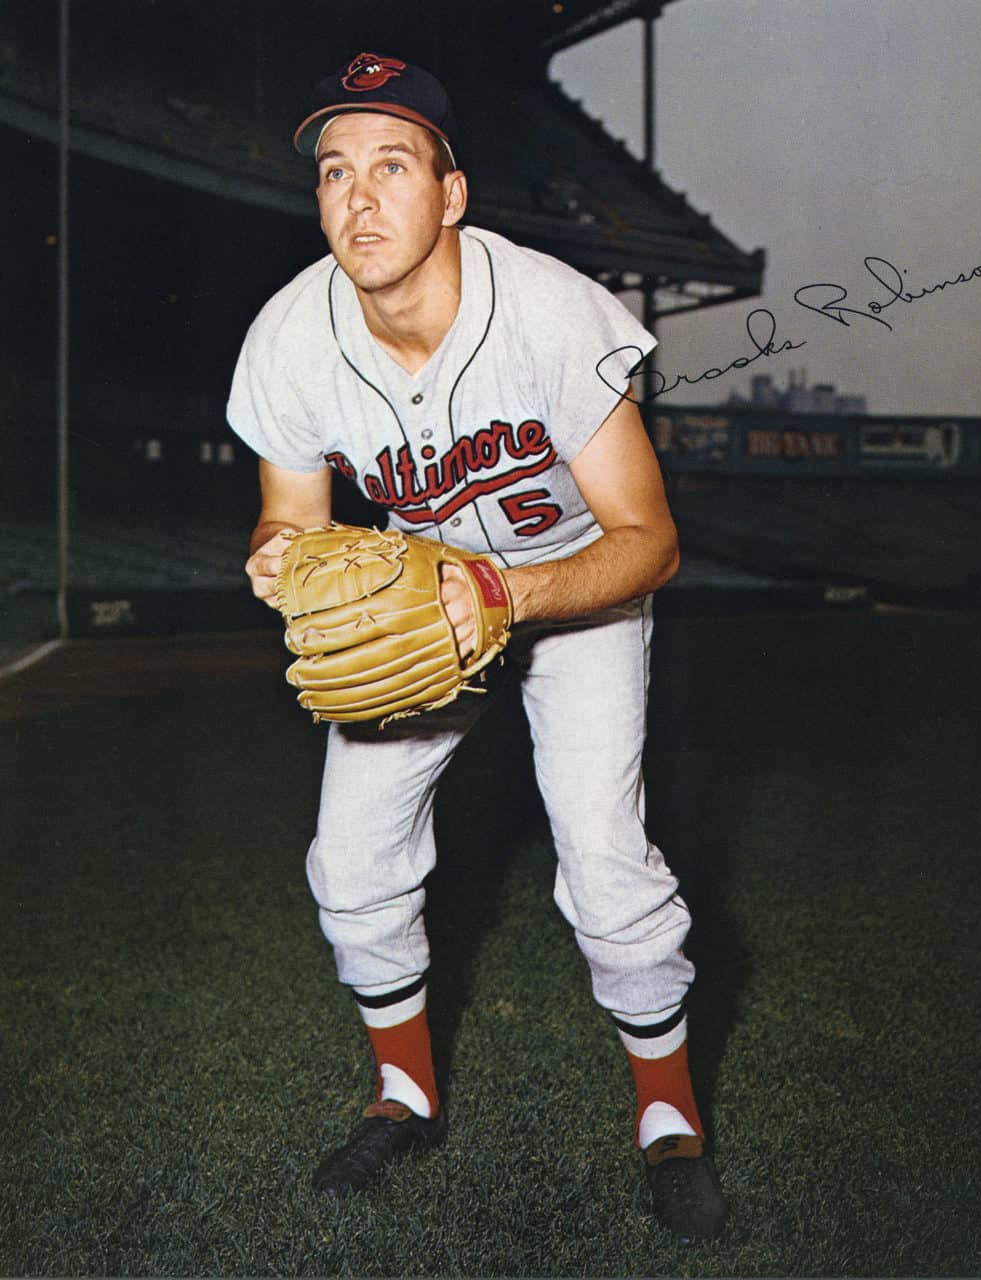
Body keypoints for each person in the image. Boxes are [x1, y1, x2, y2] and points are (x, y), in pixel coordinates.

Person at [228, 51, 727, 1242]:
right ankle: (403, 1091)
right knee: (348, 862)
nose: (357, 197)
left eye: (392, 165)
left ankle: (669, 1117)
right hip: (414, 609)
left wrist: (511, 591)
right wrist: (276, 557)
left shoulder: (550, 311)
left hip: (573, 592)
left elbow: (649, 540)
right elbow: (288, 518)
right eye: (335, 171)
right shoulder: (291, 337)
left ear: (450, 194)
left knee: (605, 864)